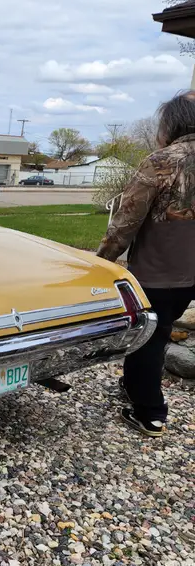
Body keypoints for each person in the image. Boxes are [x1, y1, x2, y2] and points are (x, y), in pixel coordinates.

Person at [97, 90, 195, 437]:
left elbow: (126, 221)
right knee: (162, 330)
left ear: (173, 123)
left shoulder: (160, 162)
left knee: (146, 337)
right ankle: (135, 385)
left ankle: (150, 412)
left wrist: (102, 262)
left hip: (159, 269)